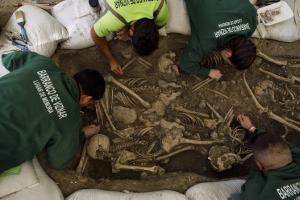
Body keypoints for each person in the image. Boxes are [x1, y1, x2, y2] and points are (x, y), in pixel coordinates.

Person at [0, 51, 105, 173]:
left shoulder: (43, 63)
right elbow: (58, 161)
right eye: (90, 103)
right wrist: (82, 135)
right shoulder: (70, 119)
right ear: (87, 98)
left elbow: (8, 59)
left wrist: (27, 79)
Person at [180, 0, 258, 80]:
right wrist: (208, 72)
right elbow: (186, 65)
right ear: (228, 53)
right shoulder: (206, 41)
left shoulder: (251, 22)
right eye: (229, 63)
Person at [230, 114, 300, 200]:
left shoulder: (258, 192)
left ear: (259, 165)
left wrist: (252, 128)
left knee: (236, 197)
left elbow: (249, 188)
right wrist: (252, 128)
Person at [91, 0, 168, 75]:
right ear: (131, 30)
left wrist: (128, 33)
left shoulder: (160, 9)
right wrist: (111, 60)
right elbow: (95, 33)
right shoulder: (116, 19)